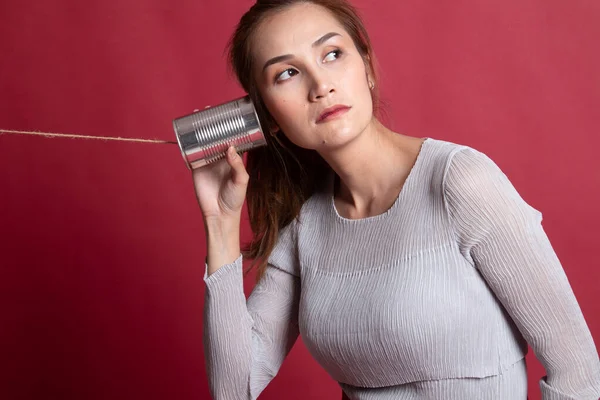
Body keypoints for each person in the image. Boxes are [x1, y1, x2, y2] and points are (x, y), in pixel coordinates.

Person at [191, 0, 600, 399]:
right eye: (287, 73)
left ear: (366, 66)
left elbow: (578, 374)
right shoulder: (305, 227)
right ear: (267, 118)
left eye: (332, 54)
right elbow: (233, 390)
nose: (322, 86)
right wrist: (221, 220)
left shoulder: (458, 181)